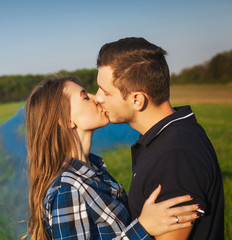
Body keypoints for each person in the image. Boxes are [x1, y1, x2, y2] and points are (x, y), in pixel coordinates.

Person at [23, 76, 200, 240]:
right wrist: (143, 227)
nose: (97, 98)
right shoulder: (68, 189)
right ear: (67, 120)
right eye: (85, 97)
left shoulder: (93, 170)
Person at [94, 37, 224, 240]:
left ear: (137, 100)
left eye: (105, 92)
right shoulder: (167, 137)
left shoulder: (174, 156)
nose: (97, 97)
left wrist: (141, 228)